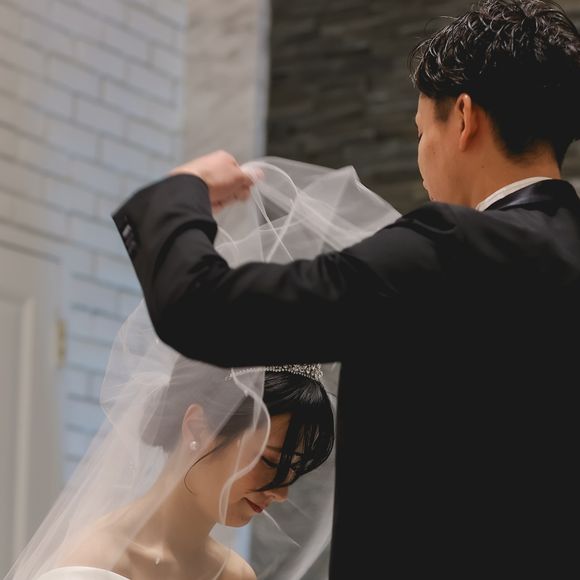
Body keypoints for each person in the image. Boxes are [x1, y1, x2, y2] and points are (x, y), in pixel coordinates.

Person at [112, 0, 580, 576]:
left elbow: (204, 309)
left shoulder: (452, 248)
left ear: (463, 118)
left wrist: (175, 196)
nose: (421, 159)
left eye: (420, 132)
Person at [4, 301, 336, 580]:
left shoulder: (237, 575)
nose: (281, 493)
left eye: (293, 470)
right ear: (197, 428)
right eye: (270, 460)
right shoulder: (97, 562)